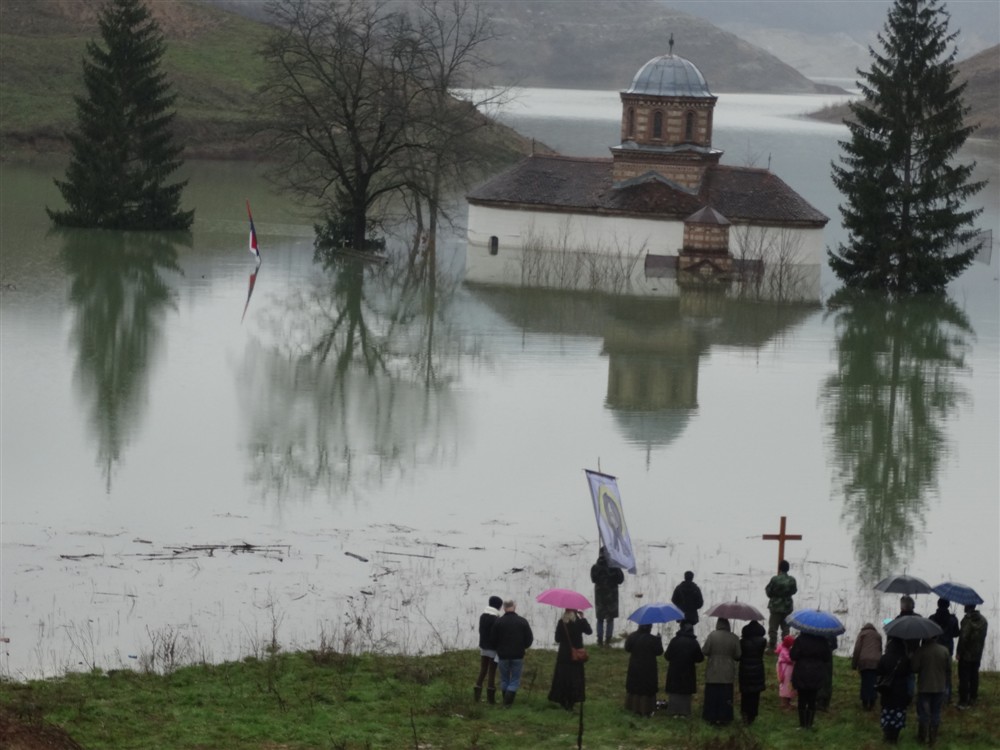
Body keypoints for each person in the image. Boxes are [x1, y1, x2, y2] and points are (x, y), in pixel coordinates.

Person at [489, 599, 534, 707]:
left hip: (503, 655)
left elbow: (492, 640)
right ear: (515, 607)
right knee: (515, 679)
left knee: (504, 678)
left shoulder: (498, 622)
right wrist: (524, 647)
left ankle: (506, 700)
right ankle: (508, 702)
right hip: (518, 655)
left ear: (504, 608)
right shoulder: (522, 621)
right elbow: (529, 639)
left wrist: (498, 648)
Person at [547, 608, 592, 711]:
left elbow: (557, 639)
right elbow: (589, 631)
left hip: (563, 655)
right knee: (575, 679)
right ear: (575, 612)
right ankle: (572, 701)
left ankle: (562, 700)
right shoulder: (580, 622)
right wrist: (583, 618)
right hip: (575, 656)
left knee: (562, 679)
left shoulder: (561, 622)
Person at [701, 617, 741, 726]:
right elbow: (738, 655)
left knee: (712, 695)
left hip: (713, 669)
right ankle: (725, 718)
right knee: (725, 695)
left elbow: (705, 651)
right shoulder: (734, 637)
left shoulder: (712, 636)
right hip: (727, 670)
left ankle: (711, 717)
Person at [910, 636, 950, 746]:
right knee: (936, 712)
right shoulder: (944, 650)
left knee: (923, 713)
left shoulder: (920, 650)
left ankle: (922, 737)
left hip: (924, 687)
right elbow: (948, 668)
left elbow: (914, 668)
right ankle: (933, 738)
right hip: (940, 687)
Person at [790, 631, 831, 730]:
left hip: (802, 671)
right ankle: (810, 724)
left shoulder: (800, 639)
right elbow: (827, 657)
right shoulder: (822, 640)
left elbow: (793, 656)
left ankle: (802, 724)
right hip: (817, 672)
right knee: (812, 698)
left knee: (802, 699)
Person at [663, 620, 704, 717]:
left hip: (674, 670)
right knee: (686, 692)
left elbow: (667, 656)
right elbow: (700, 658)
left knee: (675, 690)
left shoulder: (674, 640)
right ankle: (684, 713)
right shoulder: (694, 642)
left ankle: (673, 712)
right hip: (688, 671)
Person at [877, 637, 912, 745]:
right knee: (898, 712)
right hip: (901, 690)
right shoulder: (905, 659)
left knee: (887, 711)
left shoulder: (884, 658)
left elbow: (879, 671)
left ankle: (887, 735)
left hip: (887, 689)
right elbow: (909, 674)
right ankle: (895, 736)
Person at [623, 623, 663, 716]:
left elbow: (627, 648)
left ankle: (632, 706)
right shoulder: (653, 639)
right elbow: (659, 652)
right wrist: (659, 640)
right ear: (650, 627)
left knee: (635, 685)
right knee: (647, 687)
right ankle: (647, 708)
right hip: (649, 667)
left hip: (634, 666)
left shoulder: (632, 636)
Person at [927, 598, 960, 704]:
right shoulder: (952, 619)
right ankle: (946, 697)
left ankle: (932, 695)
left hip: (934, 649)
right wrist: (954, 620)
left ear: (938, 604)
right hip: (947, 649)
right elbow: (956, 634)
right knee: (947, 674)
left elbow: (928, 633)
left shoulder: (932, 618)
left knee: (933, 672)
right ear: (948, 605)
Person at [956, 603, 988, 709]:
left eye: (965, 605)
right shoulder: (984, 621)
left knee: (964, 678)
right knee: (974, 676)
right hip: (977, 654)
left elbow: (963, 638)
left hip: (966, 654)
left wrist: (959, 652)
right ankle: (973, 698)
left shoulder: (967, 620)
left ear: (968, 607)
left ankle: (963, 701)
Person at [591, 548, 624, 646]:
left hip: (600, 597)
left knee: (600, 619)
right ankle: (608, 641)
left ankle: (599, 641)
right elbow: (620, 580)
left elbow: (593, 579)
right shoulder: (615, 567)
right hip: (612, 597)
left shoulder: (595, 567)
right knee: (610, 619)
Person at [474, 595, 503, 704]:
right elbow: (497, 635)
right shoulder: (496, 619)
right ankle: (491, 699)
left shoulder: (483, 616)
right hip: (493, 649)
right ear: (498, 606)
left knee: (483, 670)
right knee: (492, 672)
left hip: (483, 647)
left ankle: (477, 695)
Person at [737, 620, 767, 725]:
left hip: (744, 669)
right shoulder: (763, 641)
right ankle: (752, 715)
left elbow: (738, 656)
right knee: (755, 695)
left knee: (745, 694)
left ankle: (744, 715)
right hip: (758, 669)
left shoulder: (742, 642)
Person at [765, 560, 797, 650]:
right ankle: (786, 647)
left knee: (773, 628)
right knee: (786, 629)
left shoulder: (775, 579)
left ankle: (772, 646)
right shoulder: (792, 580)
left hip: (775, 607)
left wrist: (775, 596)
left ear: (779, 568)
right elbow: (794, 591)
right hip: (787, 606)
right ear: (788, 569)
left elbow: (768, 592)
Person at [851, 621, 883, 710]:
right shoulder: (878, 635)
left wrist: (854, 665)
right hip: (876, 662)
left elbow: (857, 649)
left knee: (865, 682)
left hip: (864, 662)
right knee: (873, 681)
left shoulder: (862, 634)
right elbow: (880, 649)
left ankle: (865, 702)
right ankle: (872, 702)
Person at [816, 634, 838, 711]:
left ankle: (818, 700)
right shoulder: (830, 631)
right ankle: (825, 702)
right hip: (828, 659)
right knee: (827, 680)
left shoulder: (815, 629)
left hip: (817, 658)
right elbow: (835, 645)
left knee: (817, 677)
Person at [775, 634, 796, 710]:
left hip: (787, 669)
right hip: (785, 670)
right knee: (785, 686)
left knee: (788, 686)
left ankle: (787, 702)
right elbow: (789, 659)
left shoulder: (785, 648)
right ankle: (784, 704)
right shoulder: (784, 650)